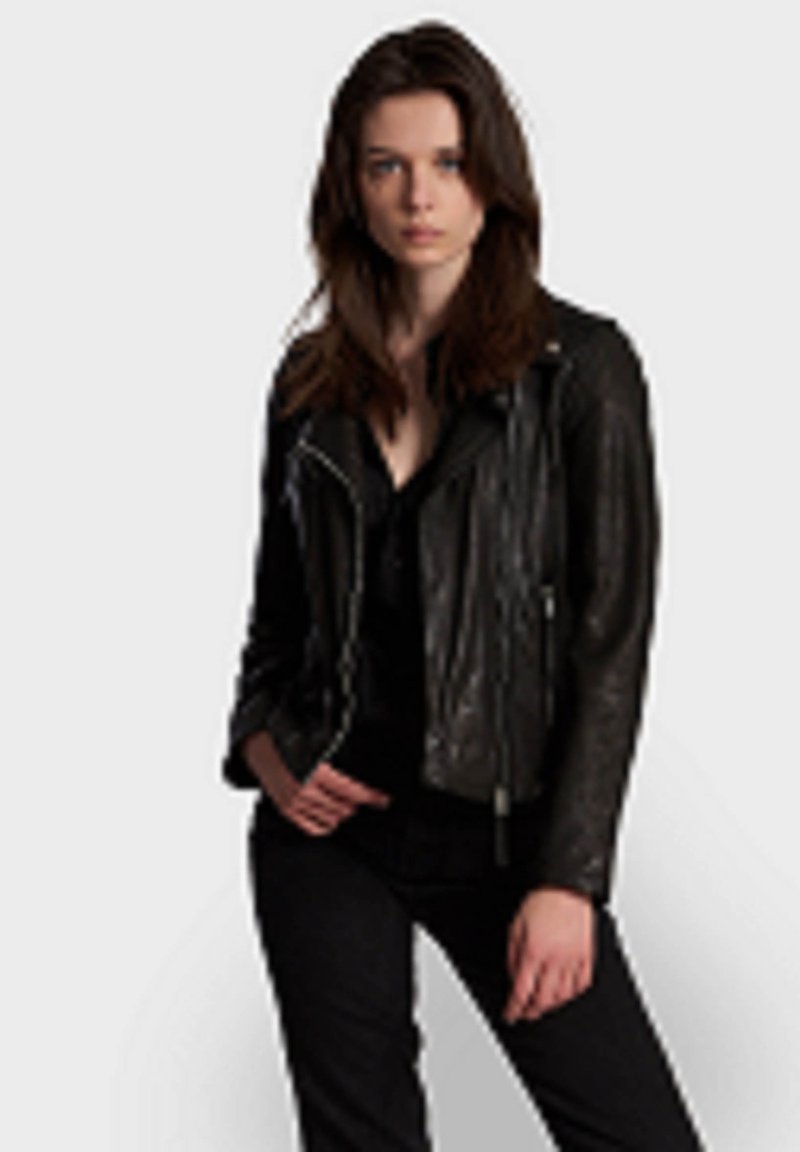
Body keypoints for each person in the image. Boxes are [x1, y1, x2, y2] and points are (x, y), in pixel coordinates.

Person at [221, 20, 707, 1151]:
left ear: (493, 177)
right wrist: (263, 748)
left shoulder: (580, 371)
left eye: (446, 161)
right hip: (325, 839)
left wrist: (570, 877)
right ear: (349, 187)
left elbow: (609, 640)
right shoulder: (309, 381)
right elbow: (275, 618)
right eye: (384, 166)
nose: (417, 196)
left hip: (504, 836)